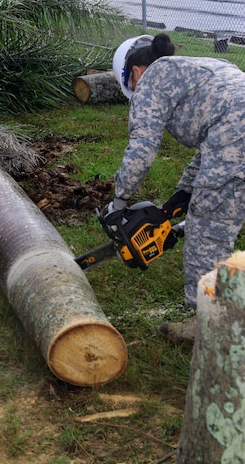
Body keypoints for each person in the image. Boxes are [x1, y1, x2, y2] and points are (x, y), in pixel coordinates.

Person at [104, 32, 245, 343]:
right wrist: (181, 197)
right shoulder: (198, 66)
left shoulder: (151, 82)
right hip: (233, 137)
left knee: (208, 231)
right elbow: (214, 141)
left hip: (237, 140)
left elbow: (142, 151)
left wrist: (119, 203)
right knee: (209, 215)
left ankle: (209, 326)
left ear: (135, 71)